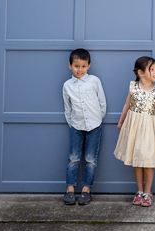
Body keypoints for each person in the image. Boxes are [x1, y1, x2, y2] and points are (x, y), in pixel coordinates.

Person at [114, 56, 155, 207]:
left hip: (150, 128)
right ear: (140, 73)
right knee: (137, 161)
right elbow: (126, 105)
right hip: (134, 128)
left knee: (148, 161)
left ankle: (148, 192)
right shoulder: (133, 86)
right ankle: (139, 191)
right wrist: (121, 121)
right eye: (151, 69)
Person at [62, 48, 107, 206]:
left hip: (94, 125)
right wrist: (73, 122)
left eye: (83, 66)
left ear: (88, 66)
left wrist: (97, 119)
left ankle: (86, 190)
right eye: (76, 66)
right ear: (70, 66)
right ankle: (70, 190)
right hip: (76, 125)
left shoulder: (94, 81)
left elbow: (102, 103)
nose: (79, 69)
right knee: (73, 158)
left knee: (90, 159)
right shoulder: (67, 85)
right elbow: (67, 108)